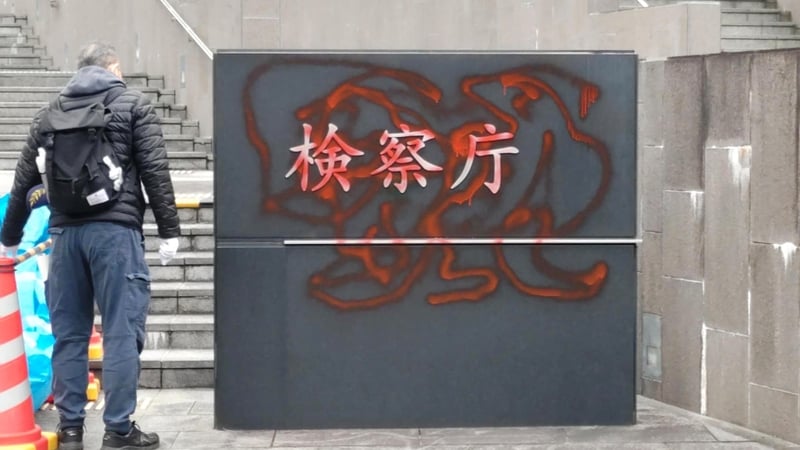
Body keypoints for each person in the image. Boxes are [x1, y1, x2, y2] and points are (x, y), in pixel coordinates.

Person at [0, 42, 180, 450]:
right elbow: (155, 171)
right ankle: (118, 430)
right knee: (121, 331)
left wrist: (9, 239)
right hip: (115, 235)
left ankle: (70, 429)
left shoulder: (49, 114)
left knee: (69, 335)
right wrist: (169, 231)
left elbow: (24, 179)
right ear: (112, 69)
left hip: (64, 238)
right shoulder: (133, 105)